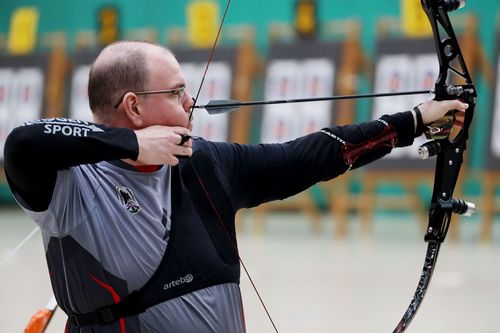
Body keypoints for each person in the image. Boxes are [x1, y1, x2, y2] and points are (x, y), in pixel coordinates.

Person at [3, 41, 468, 333]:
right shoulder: (74, 185)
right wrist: (131, 144)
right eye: (176, 92)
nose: (192, 102)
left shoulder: (207, 163)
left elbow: (309, 156)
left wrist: (414, 121)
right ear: (134, 107)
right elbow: (23, 141)